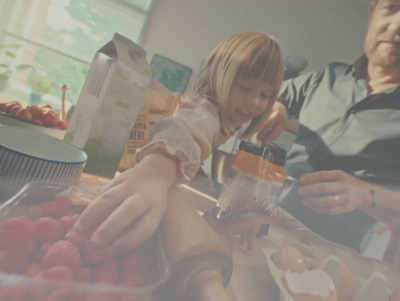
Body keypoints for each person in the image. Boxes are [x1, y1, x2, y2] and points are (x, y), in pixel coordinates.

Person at [74, 32, 285, 253]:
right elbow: (185, 130)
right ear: (219, 76)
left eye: (265, 95)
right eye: (245, 88)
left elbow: (196, 146)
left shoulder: (229, 114)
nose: (254, 102)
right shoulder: (205, 110)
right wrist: (156, 170)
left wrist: (279, 107)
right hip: (104, 165)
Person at [265, 0, 400, 253]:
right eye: (392, 8)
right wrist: (277, 107)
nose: (397, 23)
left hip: (330, 255)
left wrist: (365, 193)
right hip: (263, 218)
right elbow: (269, 98)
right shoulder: (326, 76)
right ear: (372, 14)